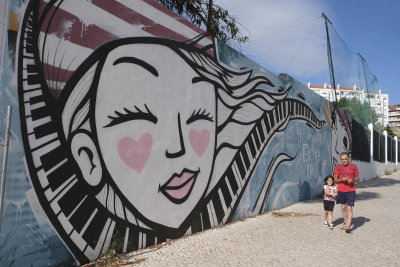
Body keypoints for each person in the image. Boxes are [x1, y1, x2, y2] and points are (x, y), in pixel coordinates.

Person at [333, 152, 359, 233]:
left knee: (349, 208)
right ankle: (346, 222)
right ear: (341, 159)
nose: (344, 161)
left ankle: (348, 225)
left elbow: (358, 179)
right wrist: (342, 179)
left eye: (345, 159)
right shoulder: (338, 167)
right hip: (341, 190)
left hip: (351, 190)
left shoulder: (354, 167)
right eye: (342, 159)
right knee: (343, 207)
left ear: (348, 158)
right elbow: (335, 180)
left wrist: (353, 180)